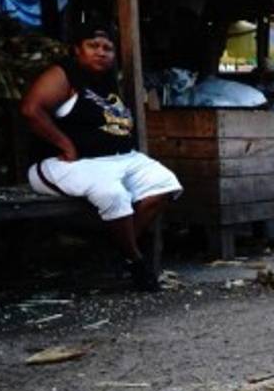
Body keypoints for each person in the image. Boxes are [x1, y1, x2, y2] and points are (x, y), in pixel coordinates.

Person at [20, 22, 182, 292]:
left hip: (120, 158)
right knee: (113, 195)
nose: (101, 52)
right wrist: (65, 144)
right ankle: (134, 260)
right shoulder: (65, 73)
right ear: (77, 50)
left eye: (107, 48)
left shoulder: (108, 80)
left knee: (165, 183)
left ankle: (114, 250)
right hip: (70, 164)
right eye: (93, 46)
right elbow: (30, 109)